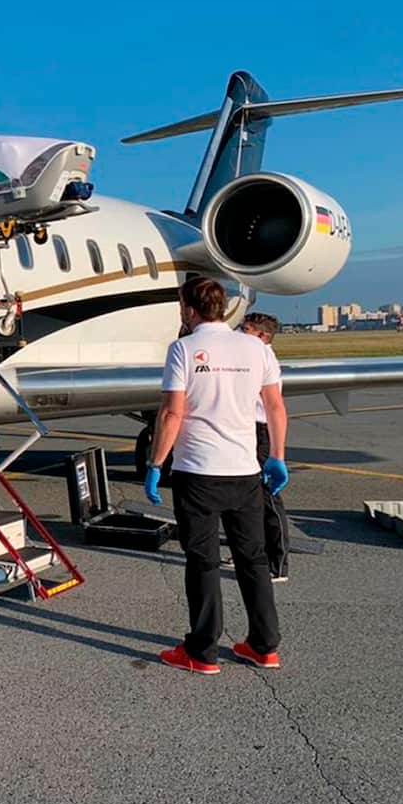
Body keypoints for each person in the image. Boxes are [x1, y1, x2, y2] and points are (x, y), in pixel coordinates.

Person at [143, 277, 289, 674]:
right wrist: (276, 456)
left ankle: (202, 650)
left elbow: (173, 413)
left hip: (198, 473)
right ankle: (264, 645)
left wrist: (156, 464)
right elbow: (274, 407)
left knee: (203, 562)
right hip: (245, 472)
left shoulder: (184, 349)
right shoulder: (255, 348)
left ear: (189, 309)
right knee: (253, 560)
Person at [241, 312, 290, 582]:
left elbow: (274, 406)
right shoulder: (253, 355)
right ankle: (258, 552)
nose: (239, 332)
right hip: (249, 431)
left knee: (268, 498)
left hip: (262, 432)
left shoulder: (264, 359)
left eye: (245, 329)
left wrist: (276, 453)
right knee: (250, 497)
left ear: (262, 336)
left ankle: (278, 562)